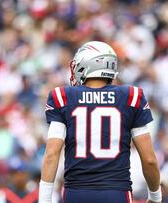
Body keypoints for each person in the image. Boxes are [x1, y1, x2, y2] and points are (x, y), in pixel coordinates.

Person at [39, 41, 161, 203]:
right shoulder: (131, 97)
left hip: (76, 193)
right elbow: (149, 160)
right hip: (116, 193)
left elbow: (51, 154)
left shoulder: (62, 97)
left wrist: (44, 200)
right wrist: (155, 196)